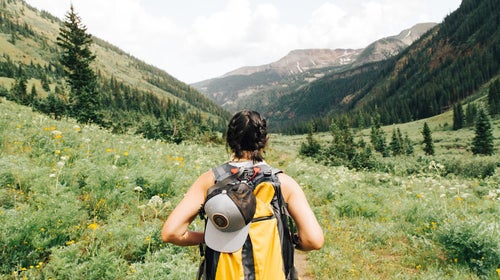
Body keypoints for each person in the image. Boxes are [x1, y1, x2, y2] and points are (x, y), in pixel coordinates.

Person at [161, 110, 324, 279]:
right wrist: (289, 240)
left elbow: (171, 233)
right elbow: (314, 240)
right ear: (265, 140)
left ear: (229, 140)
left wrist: (208, 237)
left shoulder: (210, 180)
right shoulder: (283, 183)